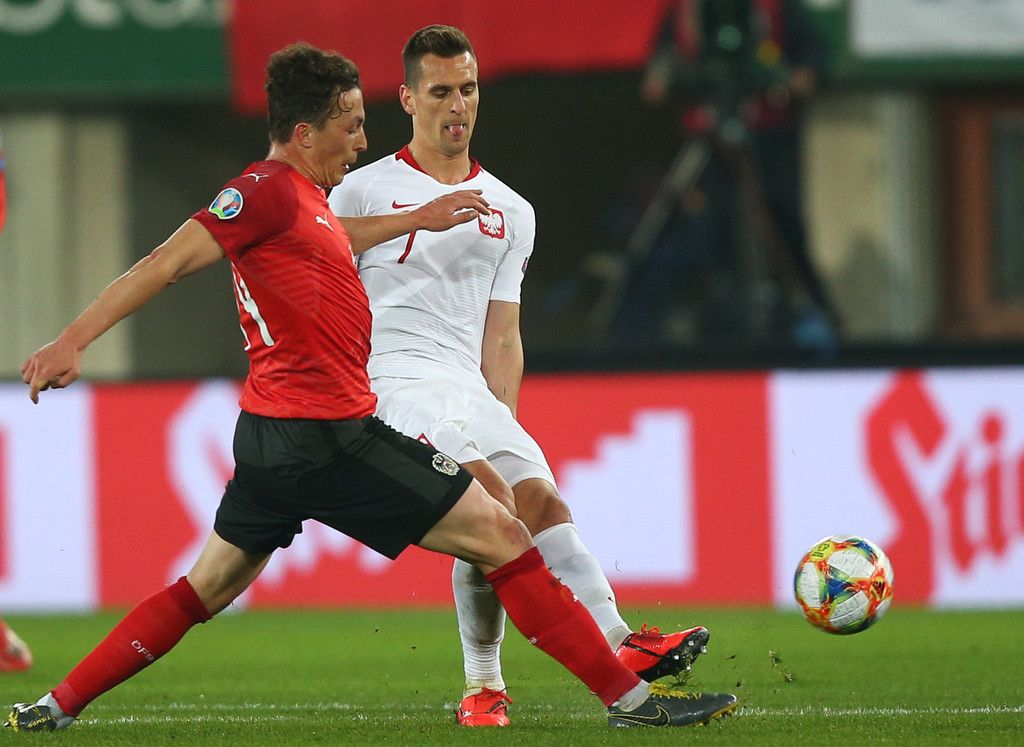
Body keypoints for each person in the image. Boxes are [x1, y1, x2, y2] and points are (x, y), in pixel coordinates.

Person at [6, 43, 736, 732]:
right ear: (304, 132)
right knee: (501, 533)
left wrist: (419, 217)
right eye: (350, 126)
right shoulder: (259, 193)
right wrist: (73, 340)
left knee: (202, 589)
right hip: (332, 438)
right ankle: (626, 698)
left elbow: (335, 236)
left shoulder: (304, 199)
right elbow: (166, 262)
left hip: (271, 442)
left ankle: (52, 707)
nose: (361, 142)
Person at [329, 25, 716, 728]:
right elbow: (310, 252)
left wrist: (502, 419)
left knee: (537, 501)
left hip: (468, 388)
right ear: (407, 98)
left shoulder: (511, 211)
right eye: (440, 91)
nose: (457, 105)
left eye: (468, 89)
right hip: (394, 384)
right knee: (490, 503)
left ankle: (620, 641)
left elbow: (503, 334)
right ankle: (484, 683)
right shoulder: (362, 190)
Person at [622, 0, 837, 347]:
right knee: (706, 227)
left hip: (767, 137)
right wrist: (665, 76)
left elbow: (813, 59)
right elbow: (661, 65)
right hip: (707, 135)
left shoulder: (776, 7)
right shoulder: (685, 9)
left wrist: (795, 78)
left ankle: (803, 316)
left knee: (780, 220)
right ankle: (712, 317)